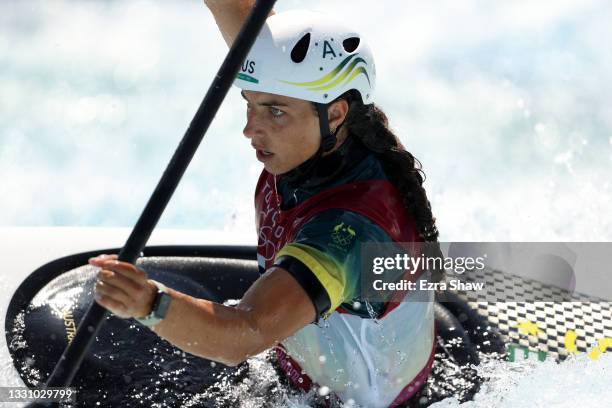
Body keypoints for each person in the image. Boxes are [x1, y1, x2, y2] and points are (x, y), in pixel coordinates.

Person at [89, 2, 442, 406]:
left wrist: (148, 303)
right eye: (249, 103)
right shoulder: (320, 138)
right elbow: (241, 14)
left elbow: (246, 334)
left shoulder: (350, 231)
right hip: (300, 368)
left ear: (336, 114)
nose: (249, 129)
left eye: (274, 111)